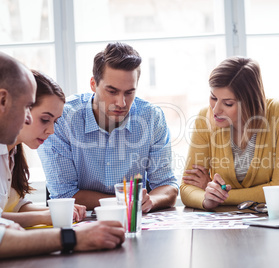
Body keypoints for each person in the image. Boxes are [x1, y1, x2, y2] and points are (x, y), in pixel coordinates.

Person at [0, 52, 125, 258]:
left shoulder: (8, 154)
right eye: (26, 108)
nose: (28, 118)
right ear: (3, 100)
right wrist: (74, 237)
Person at [38, 42, 178, 211]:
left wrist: (152, 201)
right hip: (83, 222)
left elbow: (167, 186)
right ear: (93, 84)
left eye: (129, 92)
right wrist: (125, 201)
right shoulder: (61, 118)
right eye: (112, 91)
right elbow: (64, 195)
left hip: (135, 219)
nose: (121, 102)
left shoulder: (151, 117)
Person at [180, 56, 279, 210]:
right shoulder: (205, 117)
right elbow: (187, 187)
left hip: (271, 222)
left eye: (228, 103)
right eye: (213, 97)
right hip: (224, 227)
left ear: (249, 101)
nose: (216, 109)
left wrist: (218, 194)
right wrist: (207, 199)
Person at [1, 70, 87, 228]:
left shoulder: (13, 152)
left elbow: (18, 206)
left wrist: (57, 210)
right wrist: (45, 216)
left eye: (55, 121)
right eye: (45, 119)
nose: (51, 131)